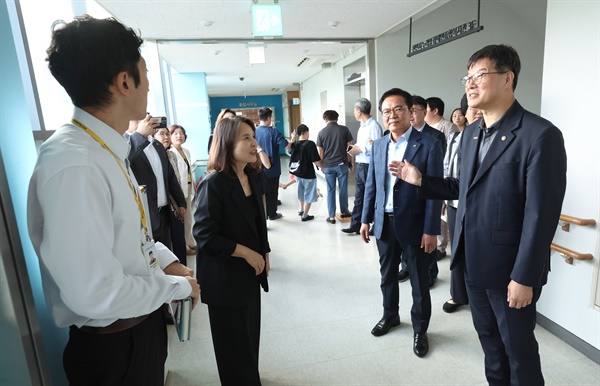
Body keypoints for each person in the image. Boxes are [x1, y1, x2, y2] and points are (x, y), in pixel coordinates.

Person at [27, 15, 199, 384]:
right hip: (114, 349)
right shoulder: (74, 162)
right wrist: (178, 287)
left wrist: (169, 263)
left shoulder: (106, 147)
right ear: (124, 81)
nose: (150, 86)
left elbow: (129, 235)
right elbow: (95, 293)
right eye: (145, 73)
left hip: (139, 329)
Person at [393, 44, 567, 384]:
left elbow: (539, 217)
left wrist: (525, 277)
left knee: (519, 354)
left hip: (511, 272)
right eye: (467, 77)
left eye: (479, 76)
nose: (469, 84)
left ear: (508, 78)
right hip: (473, 262)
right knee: (490, 347)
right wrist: (421, 180)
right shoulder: (471, 133)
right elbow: (463, 186)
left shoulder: (539, 135)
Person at [359, 88, 443, 358]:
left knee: (419, 281)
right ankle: (390, 316)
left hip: (416, 226)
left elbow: (434, 190)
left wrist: (431, 230)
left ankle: (420, 329)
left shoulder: (429, 144)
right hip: (384, 223)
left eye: (398, 109)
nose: (392, 115)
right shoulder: (380, 144)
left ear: (411, 111)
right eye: (386, 111)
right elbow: (372, 184)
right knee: (387, 277)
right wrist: (365, 219)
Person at [194, 116, 270, 386]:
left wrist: (265, 252)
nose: (253, 143)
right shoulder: (213, 184)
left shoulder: (251, 175)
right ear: (227, 142)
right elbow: (204, 236)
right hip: (224, 277)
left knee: (249, 337)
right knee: (232, 346)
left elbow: (259, 222)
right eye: (246, 138)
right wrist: (248, 253)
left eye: (253, 136)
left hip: (249, 274)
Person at [397, 95, 445, 288]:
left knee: (427, 237)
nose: (411, 114)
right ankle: (406, 266)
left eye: (414, 110)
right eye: (408, 110)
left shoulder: (435, 136)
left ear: (424, 113)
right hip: (403, 196)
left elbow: (438, 171)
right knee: (404, 235)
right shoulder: (399, 135)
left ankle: (430, 271)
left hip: (426, 194)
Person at [128, 116, 187, 249]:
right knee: (151, 258)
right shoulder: (127, 143)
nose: (144, 122)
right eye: (139, 119)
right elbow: (126, 160)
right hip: (145, 215)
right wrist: (139, 135)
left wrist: (180, 201)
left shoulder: (157, 145)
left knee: (166, 254)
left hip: (164, 214)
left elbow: (170, 176)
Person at [441, 103, 470, 313]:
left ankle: (476, 293)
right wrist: (444, 196)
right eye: (472, 110)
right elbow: (447, 166)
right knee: (457, 250)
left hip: (477, 206)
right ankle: (458, 293)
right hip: (454, 202)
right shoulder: (455, 137)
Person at [343, 98, 383, 234]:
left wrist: (361, 149)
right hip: (361, 165)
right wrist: (355, 148)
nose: (354, 113)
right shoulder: (362, 127)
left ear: (359, 111)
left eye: (355, 110)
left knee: (371, 196)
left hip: (369, 166)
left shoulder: (374, 126)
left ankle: (374, 225)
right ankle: (356, 224)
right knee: (359, 197)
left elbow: (378, 149)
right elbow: (365, 145)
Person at [155, 127, 188, 265]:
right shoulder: (152, 155)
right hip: (161, 206)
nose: (166, 137)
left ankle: (184, 271)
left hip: (175, 205)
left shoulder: (171, 154)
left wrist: (181, 202)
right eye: (161, 134)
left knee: (179, 240)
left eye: (167, 133)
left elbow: (176, 181)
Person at [316, 110, 354, 224]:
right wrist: (351, 163)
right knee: (343, 189)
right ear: (337, 118)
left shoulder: (321, 132)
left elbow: (321, 151)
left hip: (328, 165)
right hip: (342, 165)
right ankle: (344, 211)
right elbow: (350, 147)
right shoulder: (344, 129)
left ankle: (331, 216)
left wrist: (321, 165)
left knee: (330, 190)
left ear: (325, 119)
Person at [255, 107, 289, 220]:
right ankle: (272, 214)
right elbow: (286, 145)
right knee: (272, 192)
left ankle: (263, 214)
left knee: (261, 192)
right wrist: (292, 139)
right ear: (269, 118)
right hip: (272, 169)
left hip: (257, 168)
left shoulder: (253, 132)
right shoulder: (273, 132)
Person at [169, 124, 196, 255]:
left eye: (181, 133)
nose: (179, 136)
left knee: (189, 218)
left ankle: (191, 242)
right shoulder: (170, 152)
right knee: (182, 219)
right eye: (175, 133)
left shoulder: (186, 151)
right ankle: (184, 246)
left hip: (189, 187)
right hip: (179, 190)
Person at [288, 124, 323, 221]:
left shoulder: (294, 144)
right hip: (308, 173)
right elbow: (315, 160)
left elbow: (289, 150)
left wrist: (292, 138)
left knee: (301, 191)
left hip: (298, 173)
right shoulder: (310, 144)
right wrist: (322, 167)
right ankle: (305, 215)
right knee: (309, 193)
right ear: (306, 133)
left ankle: (301, 209)